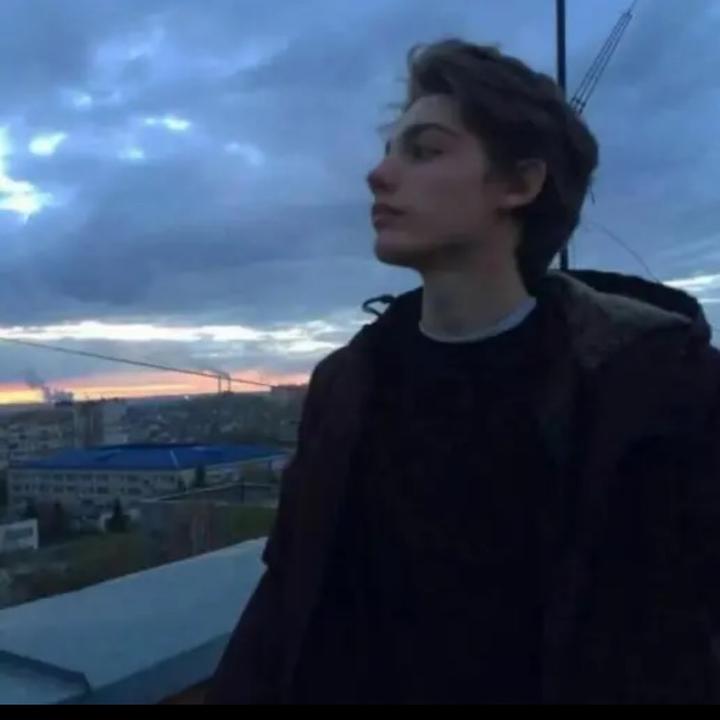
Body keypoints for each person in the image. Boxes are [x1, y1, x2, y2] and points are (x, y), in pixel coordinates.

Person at [207, 38, 720, 704]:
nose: (378, 175)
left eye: (423, 151)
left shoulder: (655, 389)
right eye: (390, 150)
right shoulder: (346, 387)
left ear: (520, 184)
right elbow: (287, 603)